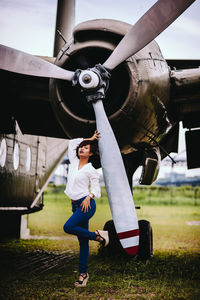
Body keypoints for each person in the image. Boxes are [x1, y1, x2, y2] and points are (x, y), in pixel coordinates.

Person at [63, 130, 109, 287]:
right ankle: (83, 274)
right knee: (83, 242)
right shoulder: (74, 162)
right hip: (75, 204)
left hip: (86, 204)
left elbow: (97, 190)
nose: (82, 149)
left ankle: (97, 236)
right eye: (82, 147)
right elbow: (71, 143)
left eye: (86, 148)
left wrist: (89, 196)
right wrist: (89, 138)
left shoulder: (91, 170)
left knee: (68, 227)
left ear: (90, 154)